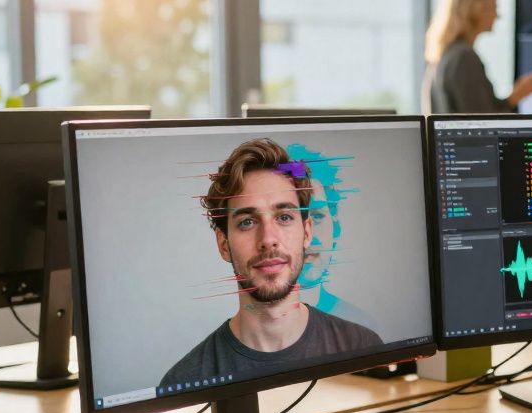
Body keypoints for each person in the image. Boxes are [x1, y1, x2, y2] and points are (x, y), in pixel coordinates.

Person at [160, 139, 383, 389]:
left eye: (284, 217)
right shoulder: (184, 382)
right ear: (224, 244)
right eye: (247, 222)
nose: (268, 240)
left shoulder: (364, 348)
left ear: (306, 233)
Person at [285, 143, 377, 330]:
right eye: (288, 218)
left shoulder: (362, 329)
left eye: (317, 216)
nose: (307, 237)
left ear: (336, 229)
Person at [423, 0, 532, 113]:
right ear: (477, 9)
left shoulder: (447, 54)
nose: (497, 15)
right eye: (494, 6)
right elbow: (482, 124)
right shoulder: (463, 58)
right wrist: (516, 96)